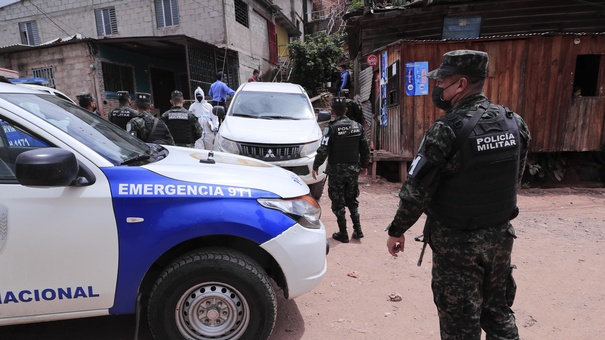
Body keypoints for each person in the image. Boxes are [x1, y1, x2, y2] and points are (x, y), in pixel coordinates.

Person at [385, 50, 531, 340]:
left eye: (442, 82)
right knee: (499, 313)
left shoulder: (447, 129)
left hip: (457, 244)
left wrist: (397, 229)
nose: (438, 88)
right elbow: (516, 177)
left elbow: (417, 190)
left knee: (460, 324)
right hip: (500, 238)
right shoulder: (514, 123)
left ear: (461, 84)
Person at [312, 96, 371, 243]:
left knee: (338, 202)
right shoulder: (357, 126)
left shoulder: (330, 128)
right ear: (346, 109)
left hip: (336, 172)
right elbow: (365, 149)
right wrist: (364, 165)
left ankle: (343, 233)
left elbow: (323, 149)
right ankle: (358, 230)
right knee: (352, 199)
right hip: (352, 171)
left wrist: (316, 166)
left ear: (332, 111)